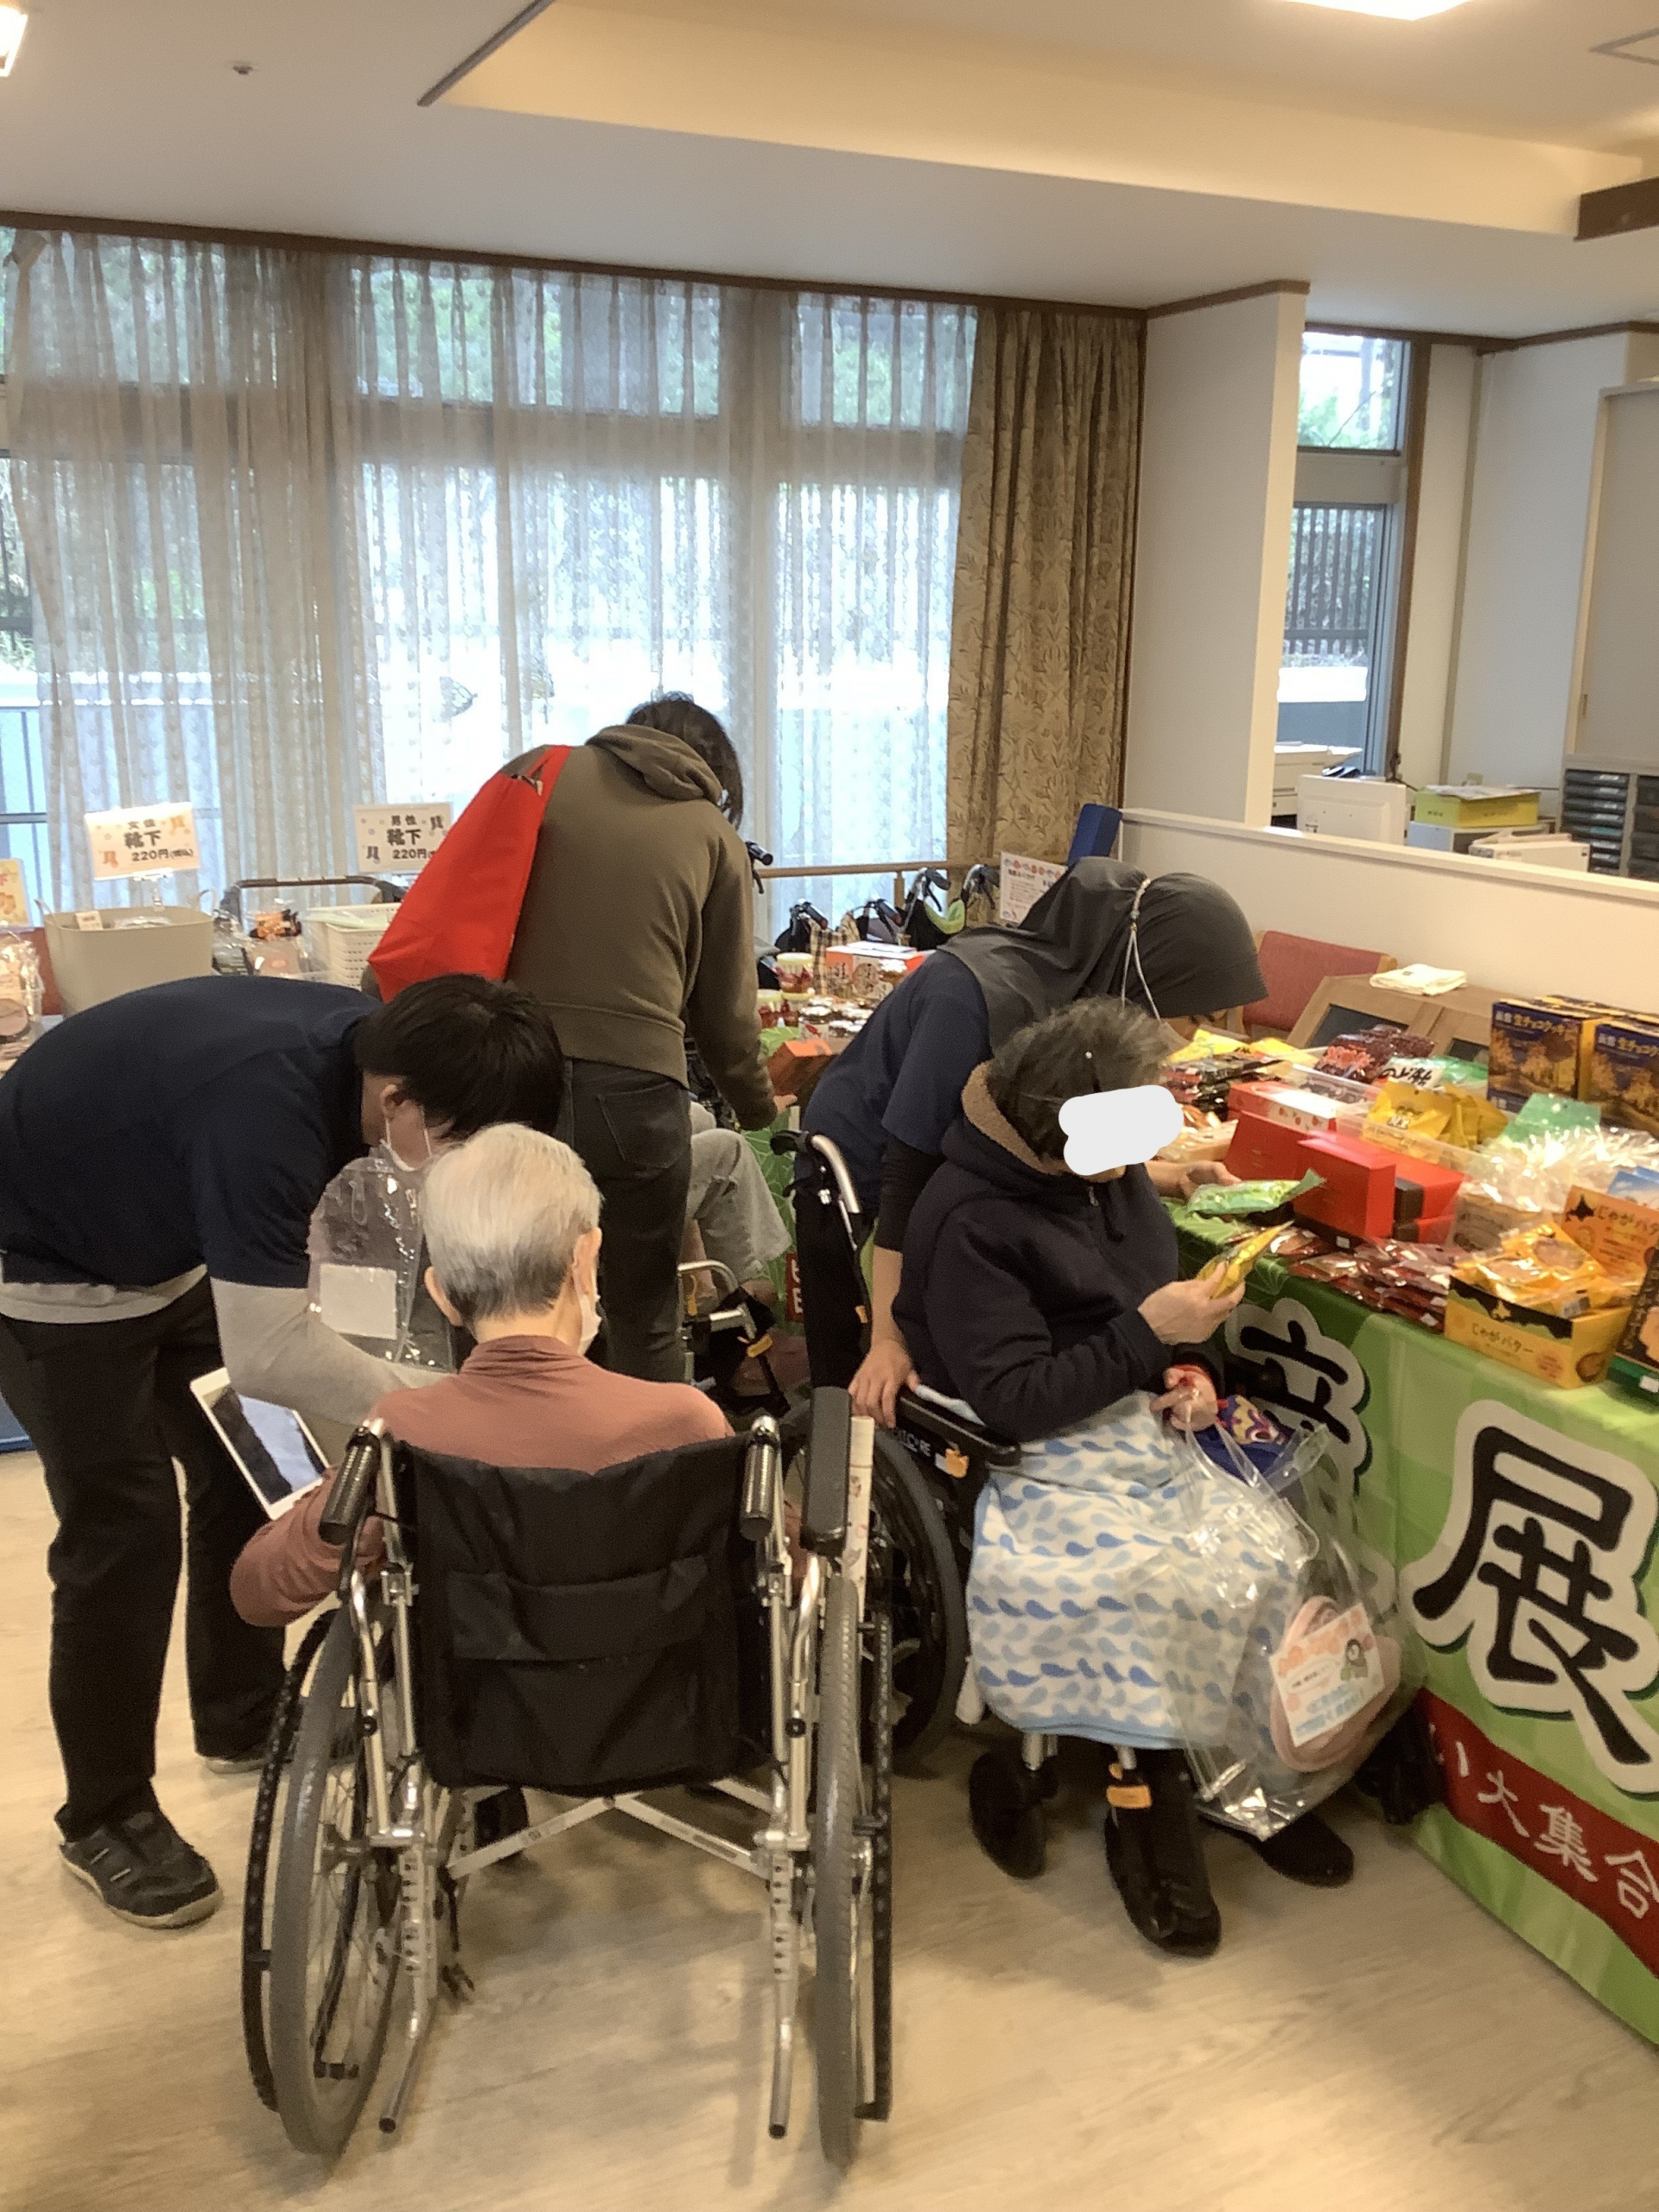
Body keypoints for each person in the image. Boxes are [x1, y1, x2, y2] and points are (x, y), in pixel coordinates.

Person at [0, 971, 567, 1930]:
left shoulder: (376, 1052)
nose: (462, 1167)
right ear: (398, 1099)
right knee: (124, 1530)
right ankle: (105, 1813)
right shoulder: (263, 1112)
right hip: (50, 1266)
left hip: (173, 1253)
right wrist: (459, 1406)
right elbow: (270, 1352)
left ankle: (244, 1711)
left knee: (262, 1473)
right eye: (462, 1142)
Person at [896, 998, 1352, 1950]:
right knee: (1154, 1579)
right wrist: (1152, 1334)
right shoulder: (973, 1218)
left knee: (1271, 1548)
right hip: (1029, 1446)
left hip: (1134, 1416)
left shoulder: (1103, 1171)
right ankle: (1147, 1792)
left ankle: (1252, 1779)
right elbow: (1018, 1395)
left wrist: (1190, 1369)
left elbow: (1148, 1307)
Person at [797, 857, 1266, 1421]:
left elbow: (1056, 1144)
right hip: (863, 1158)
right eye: (1196, 1019)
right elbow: (907, 1176)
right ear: (1150, 975)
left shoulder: (1088, 995)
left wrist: (1171, 1177)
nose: (1193, 1037)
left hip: (954, 1178)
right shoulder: (971, 1002)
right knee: (860, 1376)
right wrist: (889, 1339)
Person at [232, 1124, 728, 1629]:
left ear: (442, 1294)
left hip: (463, 1678)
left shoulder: (402, 1433)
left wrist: (361, 1514)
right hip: (655, 1675)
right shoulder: (685, 1423)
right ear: (585, 1261)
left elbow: (258, 1593)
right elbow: (763, 1583)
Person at [502, 694, 776, 1382]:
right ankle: (649, 1448)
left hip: (509, 1069)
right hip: (633, 1088)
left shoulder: (539, 772)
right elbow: (726, 1018)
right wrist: (759, 1108)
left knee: (511, 1299)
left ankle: (514, 1437)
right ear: (716, 770)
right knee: (642, 1310)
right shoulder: (712, 835)